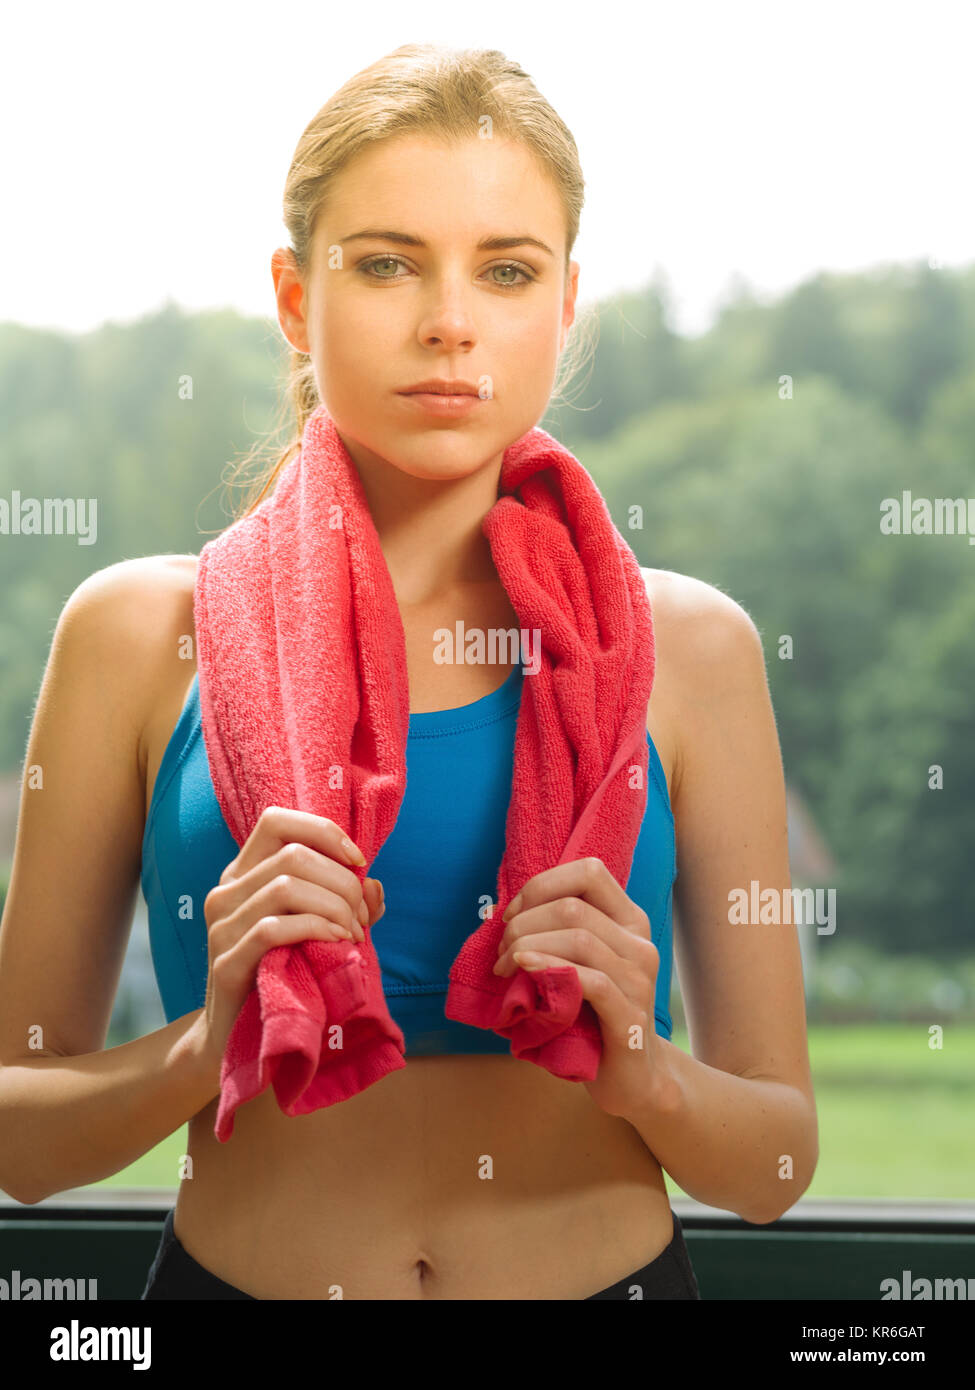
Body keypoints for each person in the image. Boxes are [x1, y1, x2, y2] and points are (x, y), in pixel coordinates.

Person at [0, 43, 817, 1300]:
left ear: (563, 303)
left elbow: (773, 1163)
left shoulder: (690, 649)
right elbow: (19, 1139)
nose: (449, 319)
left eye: (506, 270)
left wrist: (642, 1061)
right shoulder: (136, 634)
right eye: (386, 263)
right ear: (292, 295)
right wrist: (204, 1044)